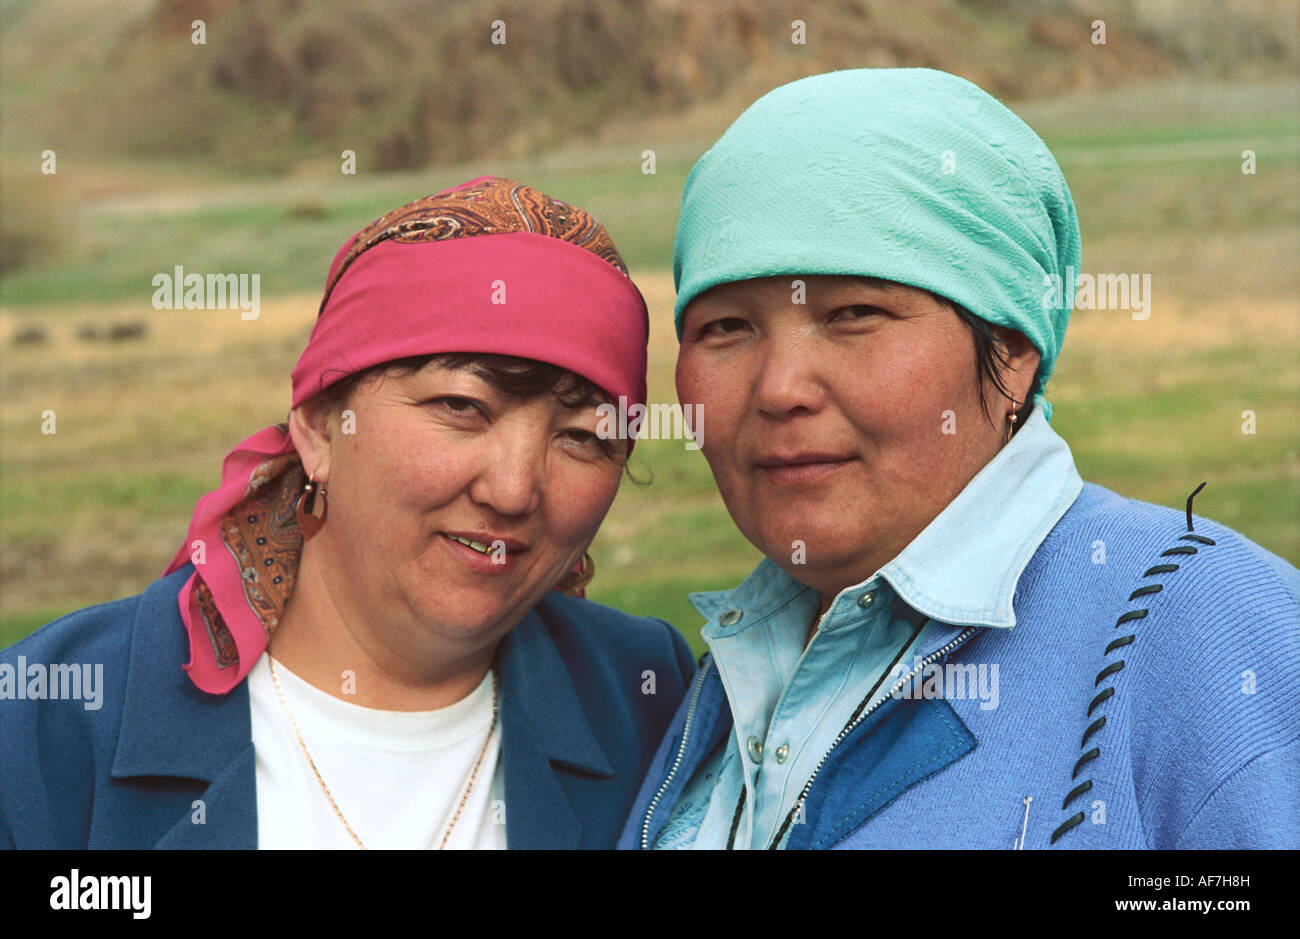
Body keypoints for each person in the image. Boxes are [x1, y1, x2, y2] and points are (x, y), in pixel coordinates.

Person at [619, 68, 1299, 850]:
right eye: (727, 327)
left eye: (855, 313)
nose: (779, 389)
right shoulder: (728, 672)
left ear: (1010, 350)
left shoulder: (1202, 625)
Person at [0, 176, 695, 849]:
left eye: (583, 436)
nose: (514, 490)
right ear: (321, 425)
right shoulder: (46, 725)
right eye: (462, 407)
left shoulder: (654, 706)